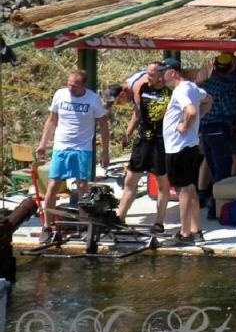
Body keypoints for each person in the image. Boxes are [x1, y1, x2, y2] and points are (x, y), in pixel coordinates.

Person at [35, 69, 111, 238]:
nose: (71, 88)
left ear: (84, 85)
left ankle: (84, 226)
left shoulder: (93, 99)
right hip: (61, 146)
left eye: (75, 86)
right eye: (69, 84)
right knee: (53, 186)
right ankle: (47, 227)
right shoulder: (60, 95)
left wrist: (105, 152)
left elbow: (104, 125)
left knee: (82, 187)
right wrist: (43, 144)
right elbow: (52, 120)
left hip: (82, 148)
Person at [160, 61, 210, 246]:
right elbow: (208, 99)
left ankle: (185, 233)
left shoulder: (181, 90)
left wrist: (185, 125)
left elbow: (191, 111)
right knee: (190, 189)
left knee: (183, 191)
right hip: (187, 146)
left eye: (163, 72)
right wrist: (198, 120)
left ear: (172, 73)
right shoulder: (192, 87)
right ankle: (197, 231)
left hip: (179, 147)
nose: (161, 76)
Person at [116, 62, 171, 228]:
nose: (148, 77)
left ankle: (159, 222)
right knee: (130, 180)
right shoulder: (143, 88)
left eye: (151, 75)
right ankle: (120, 218)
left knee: (163, 184)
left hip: (161, 142)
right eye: (147, 74)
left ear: (162, 76)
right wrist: (128, 133)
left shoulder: (172, 92)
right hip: (143, 141)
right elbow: (137, 113)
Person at [196, 52, 236, 210]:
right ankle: (217, 206)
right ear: (229, 69)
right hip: (220, 130)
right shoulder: (228, 87)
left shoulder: (204, 85)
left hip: (204, 131)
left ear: (215, 68)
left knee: (211, 165)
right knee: (222, 169)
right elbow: (229, 110)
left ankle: (206, 199)